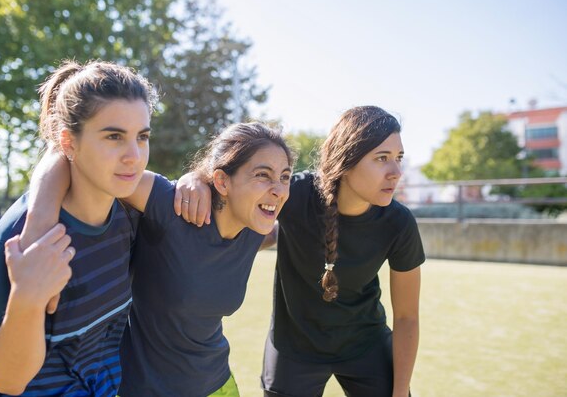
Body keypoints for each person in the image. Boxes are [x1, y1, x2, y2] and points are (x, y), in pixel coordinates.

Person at [17, 121, 294, 396]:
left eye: (284, 177)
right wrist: (36, 229)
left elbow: (286, 231)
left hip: (219, 385)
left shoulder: (257, 231)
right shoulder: (169, 204)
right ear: (222, 181)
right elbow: (75, 161)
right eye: (263, 175)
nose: (279, 190)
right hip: (146, 389)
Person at [179, 106, 424, 397]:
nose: (396, 172)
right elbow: (237, 196)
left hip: (365, 343)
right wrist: (194, 179)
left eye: (398, 158)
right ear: (346, 160)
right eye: (382, 158)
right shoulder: (294, 192)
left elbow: (407, 317)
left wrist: (399, 392)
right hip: (294, 347)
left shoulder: (398, 222)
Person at [0, 60, 157, 396]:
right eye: (113, 136)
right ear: (68, 142)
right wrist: (28, 298)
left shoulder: (127, 217)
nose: (134, 155)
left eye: (143, 136)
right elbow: (8, 380)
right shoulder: (19, 240)